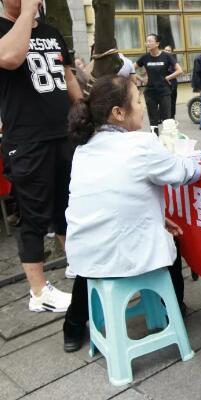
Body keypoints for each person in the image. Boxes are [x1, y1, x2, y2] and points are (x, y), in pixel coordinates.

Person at [61, 75, 201, 352]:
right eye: (138, 100)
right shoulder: (139, 144)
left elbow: (112, 197)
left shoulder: (84, 147)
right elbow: (188, 172)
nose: (142, 106)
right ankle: (171, 311)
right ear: (119, 113)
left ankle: (72, 328)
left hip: (83, 254)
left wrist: (155, 215)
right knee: (174, 240)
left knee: (103, 251)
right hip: (122, 254)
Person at [0, 0, 82, 313]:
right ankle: (38, 291)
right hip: (26, 139)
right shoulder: (4, 30)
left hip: (63, 134)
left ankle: (76, 261)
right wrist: (25, 14)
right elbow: (10, 57)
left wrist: (88, 113)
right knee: (32, 214)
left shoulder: (52, 31)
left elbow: (68, 77)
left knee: (69, 205)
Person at [135, 34, 182, 132]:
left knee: (167, 120)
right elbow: (131, 68)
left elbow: (179, 70)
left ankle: (167, 142)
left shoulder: (166, 56)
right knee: (153, 122)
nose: (147, 43)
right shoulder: (145, 57)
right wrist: (142, 79)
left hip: (164, 92)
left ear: (157, 43)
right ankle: (155, 141)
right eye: (146, 41)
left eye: (150, 41)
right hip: (150, 93)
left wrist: (168, 77)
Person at [164, 45, 179, 119]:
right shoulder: (162, 60)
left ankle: (172, 116)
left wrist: (169, 77)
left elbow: (178, 71)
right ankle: (165, 116)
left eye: (168, 50)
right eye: (165, 50)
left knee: (172, 100)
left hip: (172, 82)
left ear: (172, 52)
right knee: (165, 100)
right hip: (164, 82)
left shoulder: (174, 61)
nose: (166, 51)